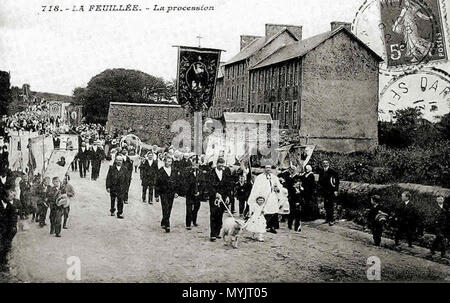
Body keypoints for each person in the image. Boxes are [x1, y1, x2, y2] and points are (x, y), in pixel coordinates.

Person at [248, 164, 283, 234]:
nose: (268, 169)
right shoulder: (260, 178)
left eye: (269, 168)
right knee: (264, 211)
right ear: (264, 169)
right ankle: (263, 226)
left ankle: (272, 227)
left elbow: (279, 187)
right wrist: (258, 197)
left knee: (273, 211)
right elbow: (256, 188)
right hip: (263, 197)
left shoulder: (274, 177)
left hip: (272, 197)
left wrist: (278, 190)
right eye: (266, 168)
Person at [207, 157, 232, 241]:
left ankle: (217, 232)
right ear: (217, 164)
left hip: (223, 197)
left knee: (220, 214)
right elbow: (209, 185)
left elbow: (228, 186)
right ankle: (212, 234)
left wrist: (228, 196)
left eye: (222, 165)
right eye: (220, 164)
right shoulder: (211, 173)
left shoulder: (225, 173)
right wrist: (215, 193)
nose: (221, 166)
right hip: (214, 198)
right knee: (213, 214)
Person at [155, 156, 179, 233]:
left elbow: (176, 182)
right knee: (165, 207)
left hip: (171, 192)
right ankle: (167, 225)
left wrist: (176, 192)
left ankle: (163, 221)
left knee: (169, 207)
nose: (169, 163)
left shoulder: (174, 171)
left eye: (170, 161)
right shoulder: (160, 171)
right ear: (164, 161)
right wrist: (156, 195)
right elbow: (157, 183)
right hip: (163, 192)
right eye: (167, 161)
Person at [0, 189, 18, 272]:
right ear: (4, 196)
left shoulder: (11, 207)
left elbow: (14, 220)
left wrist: (12, 230)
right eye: (10, 197)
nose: (12, 198)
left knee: (5, 247)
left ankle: (3, 263)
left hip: (7, 232)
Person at [184, 157, 203, 230]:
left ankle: (194, 220)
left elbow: (202, 183)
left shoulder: (200, 172)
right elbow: (185, 181)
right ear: (192, 163)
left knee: (197, 207)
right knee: (189, 208)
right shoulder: (187, 170)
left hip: (197, 193)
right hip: (189, 193)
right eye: (195, 163)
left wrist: (199, 192)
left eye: (198, 163)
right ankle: (188, 224)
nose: (196, 165)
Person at [318, 160, 340, 226]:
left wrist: (336, 190)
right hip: (324, 191)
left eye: (326, 163)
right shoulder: (321, 171)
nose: (325, 164)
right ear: (322, 164)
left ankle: (331, 220)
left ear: (328, 164)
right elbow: (320, 181)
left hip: (331, 191)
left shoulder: (332, 171)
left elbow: (336, 181)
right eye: (324, 163)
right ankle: (327, 218)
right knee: (326, 205)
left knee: (330, 205)